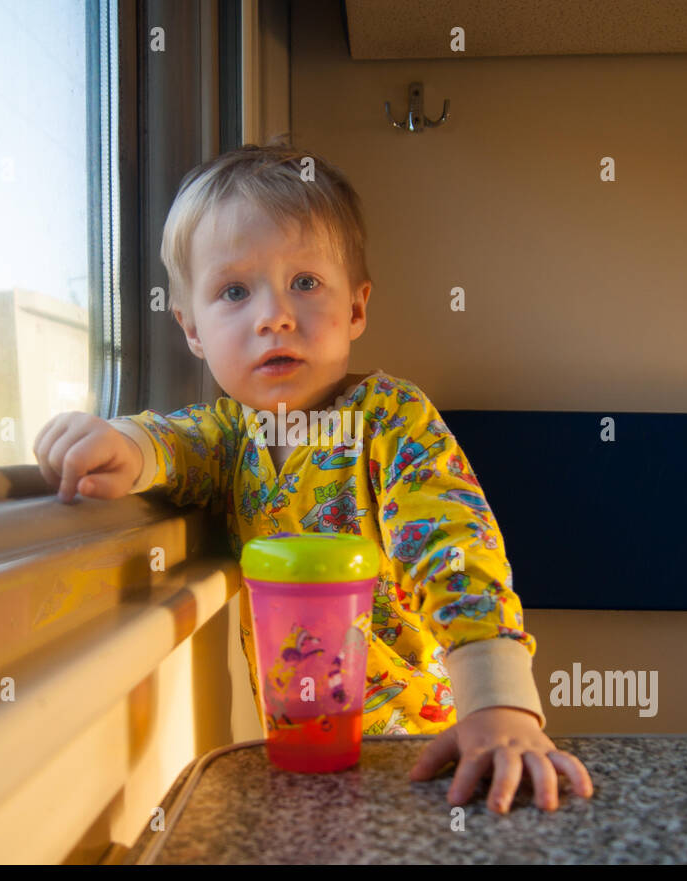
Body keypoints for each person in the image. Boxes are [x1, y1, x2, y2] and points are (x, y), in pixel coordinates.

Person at [33, 139, 593, 813]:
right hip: (311, 764)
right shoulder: (229, 437)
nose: (273, 314)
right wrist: (120, 442)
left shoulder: (390, 418)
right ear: (193, 331)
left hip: (437, 753)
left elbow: (454, 545)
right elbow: (171, 443)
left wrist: (498, 701)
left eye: (305, 282)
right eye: (234, 291)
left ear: (356, 309)